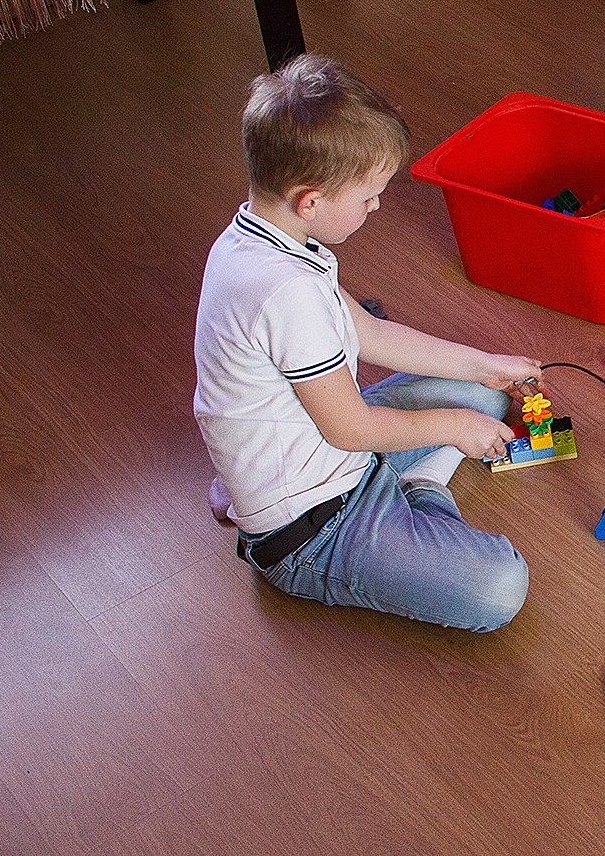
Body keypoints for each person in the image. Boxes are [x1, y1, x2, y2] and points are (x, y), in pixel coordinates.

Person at [194, 54, 535, 631]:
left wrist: (485, 365)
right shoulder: (285, 294)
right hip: (315, 524)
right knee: (499, 585)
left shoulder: (264, 238)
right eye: (370, 196)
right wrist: (452, 429)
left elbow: (371, 333)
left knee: (482, 394)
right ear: (312, 201)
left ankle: (254, 481)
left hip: (322, 442)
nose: (377, 207)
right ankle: (421, 486)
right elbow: (349, 429)